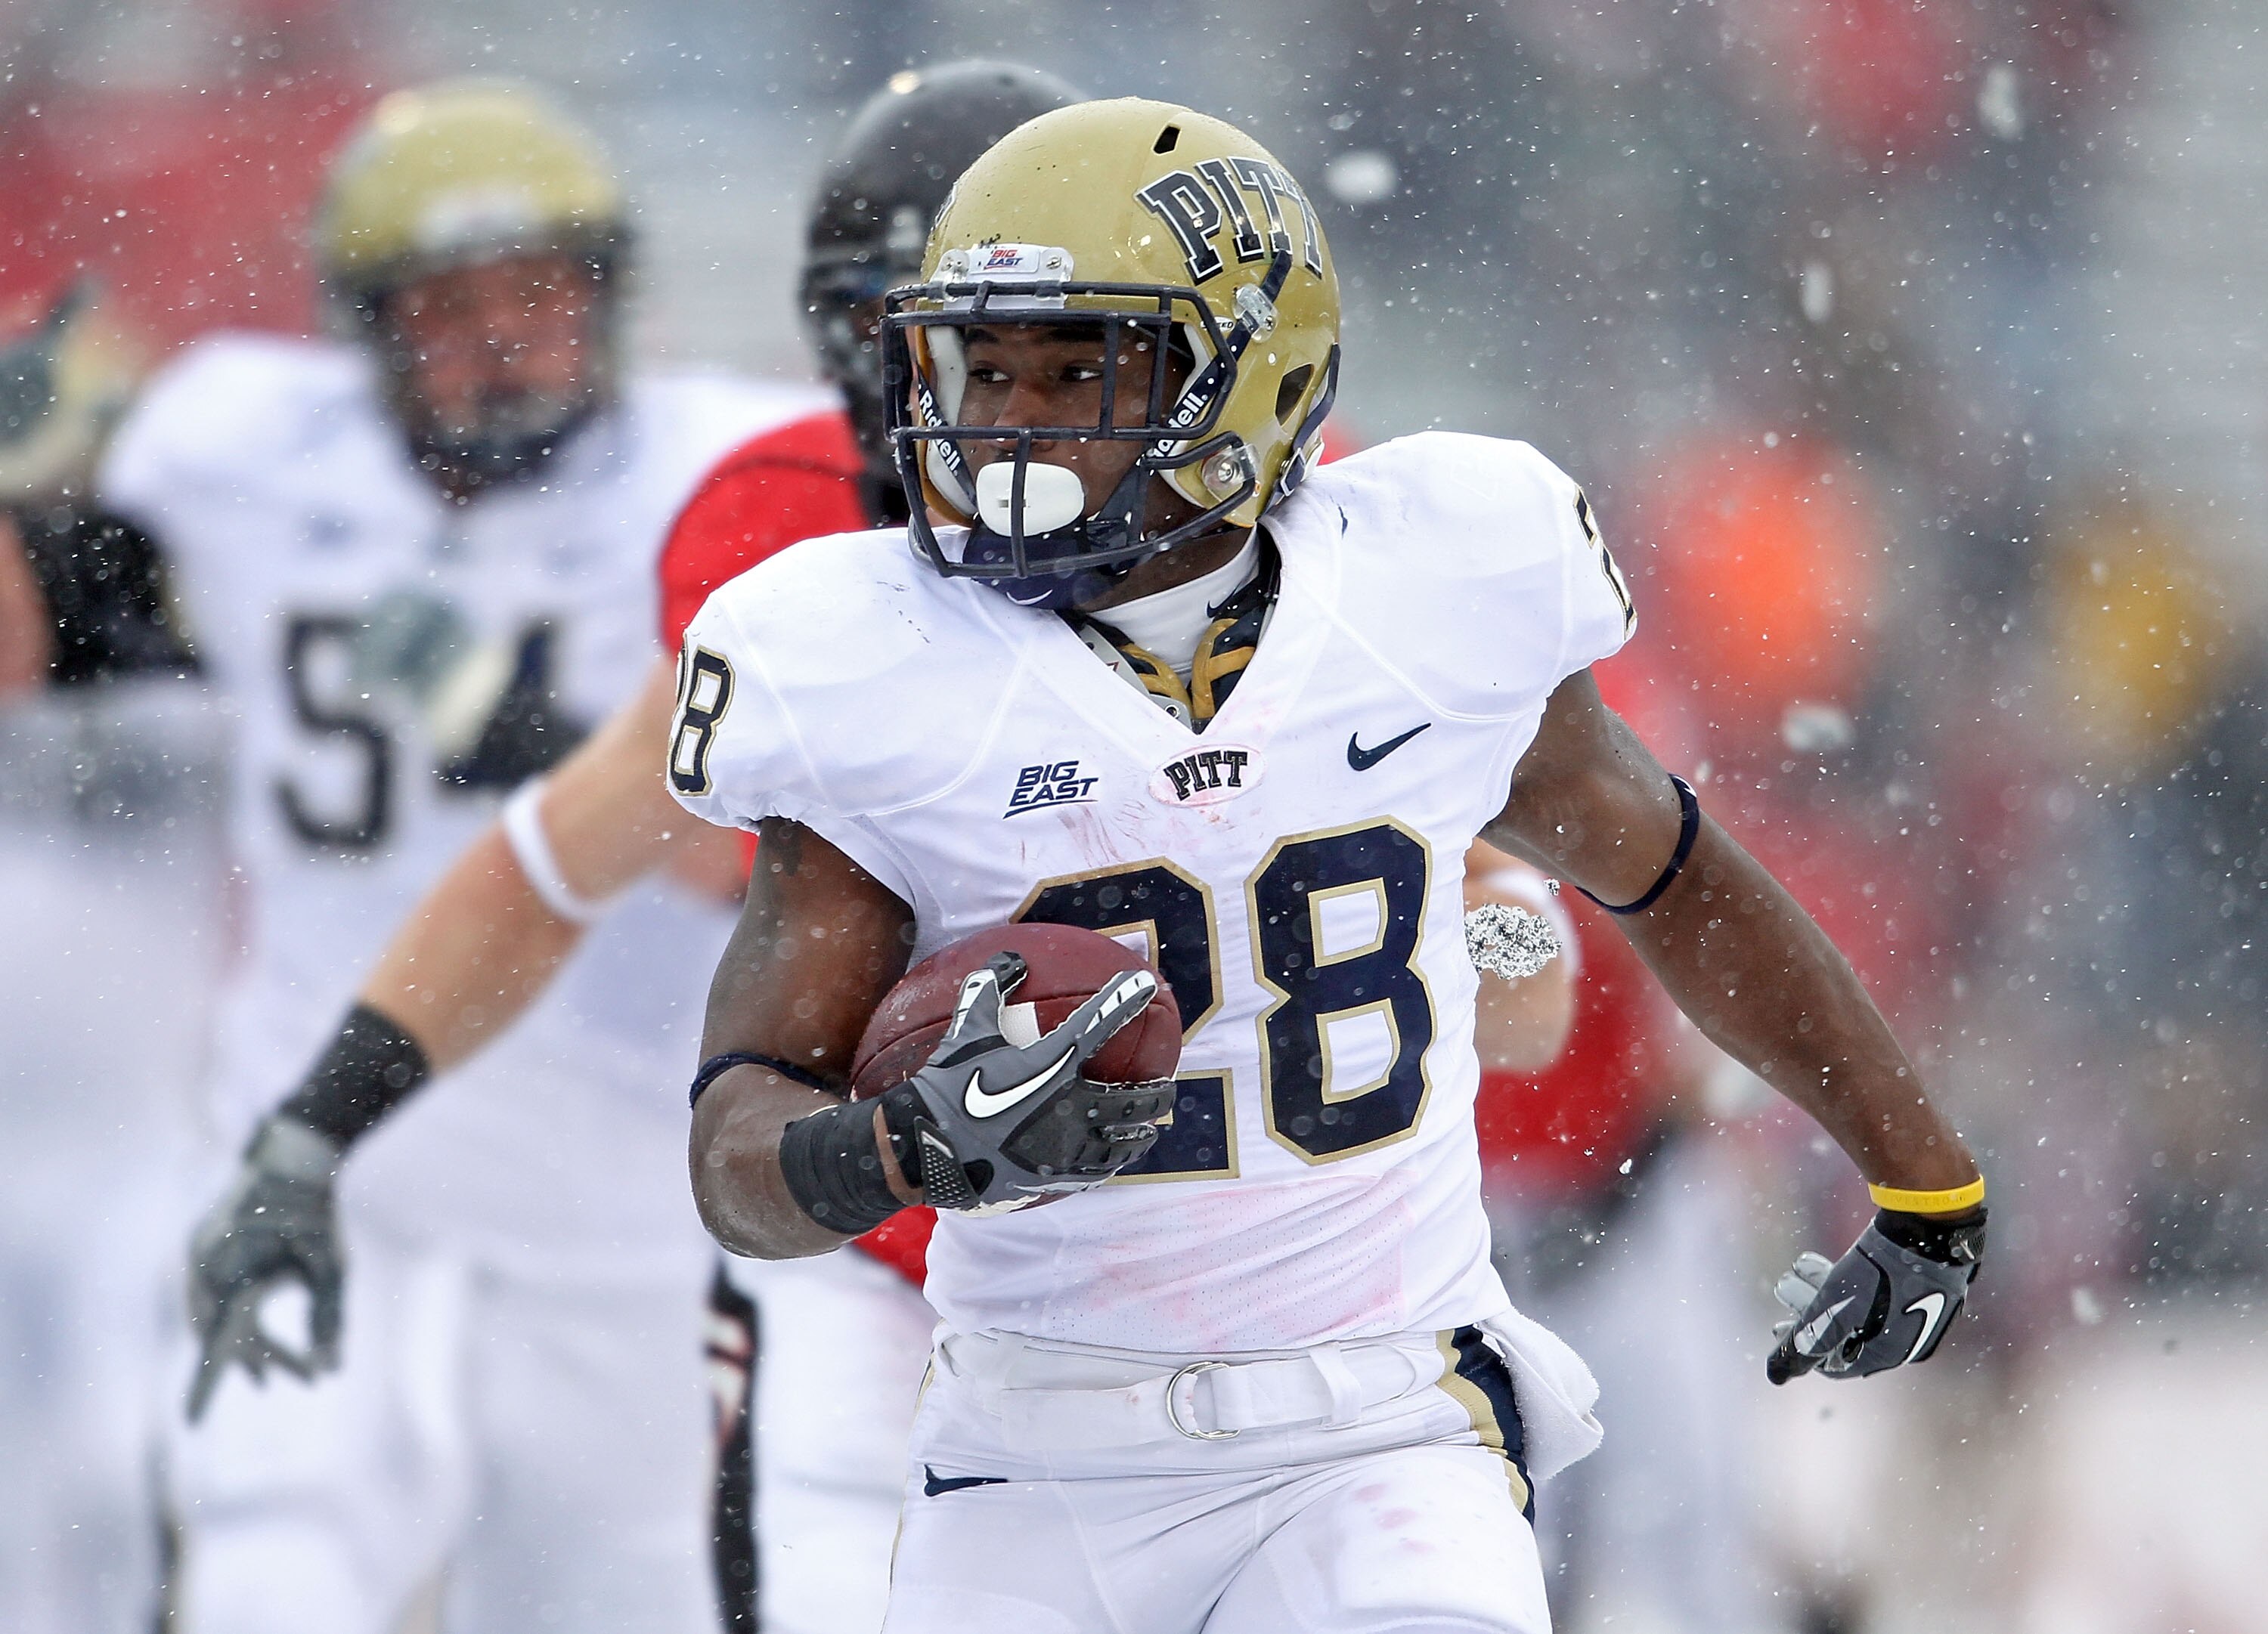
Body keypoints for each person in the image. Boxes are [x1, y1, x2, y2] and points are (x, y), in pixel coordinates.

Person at [668, 97, 1991, 1634]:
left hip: (1380, 1433)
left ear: (1244, 373)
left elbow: (1651, 900)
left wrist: (1921, 1177)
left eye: (1073, 370)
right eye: (985, 370)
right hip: (1028, 1455)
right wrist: (895, 1150)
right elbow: (734, 1141)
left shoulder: (1425, 586)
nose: (1007, 425)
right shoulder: (866, 661)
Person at [177, 62, 1086, 1634]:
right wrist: (314, 1129)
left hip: (1225, 1250)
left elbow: (1510, 932)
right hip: (850, 1235)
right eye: (932, 337)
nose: (986, 402)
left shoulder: (1323, 537)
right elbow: (587, 848)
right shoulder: (787, 521)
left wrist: (1483, 945)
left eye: (1053, 356)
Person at [131, 79, 807, 1634]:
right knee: (266, 1561)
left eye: (540, 292)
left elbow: (763, 860)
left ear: (614, 294)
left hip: (624, 1193)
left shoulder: (723, 479)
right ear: (366, 329)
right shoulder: (246, 449)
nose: (504, 339)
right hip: (328, 1158)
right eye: (453, 307)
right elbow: (55, 627)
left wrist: (534, 739)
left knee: (625, 1596)